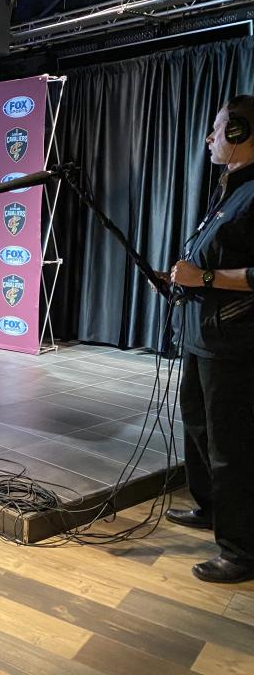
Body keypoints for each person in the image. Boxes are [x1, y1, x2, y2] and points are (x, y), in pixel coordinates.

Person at [163, 94, 254, 584]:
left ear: (239, 133)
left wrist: (206, 278)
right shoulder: (230, 189)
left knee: (229, 445)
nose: (209, 139)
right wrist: (183, 277)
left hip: (233, 343)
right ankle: (211, 508)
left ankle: (240, 550)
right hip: (201, 336)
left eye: (217, 129)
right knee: (197, 428)